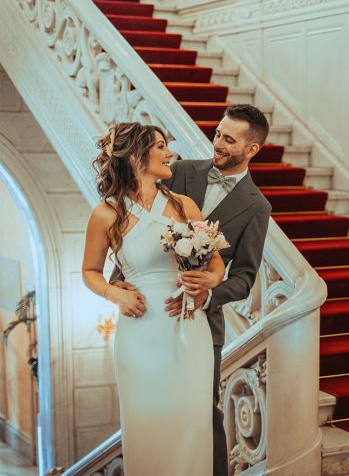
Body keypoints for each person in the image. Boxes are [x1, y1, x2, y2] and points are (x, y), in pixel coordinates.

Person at [111, 104, 272, 475]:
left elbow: (245, 276)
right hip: (149, 318)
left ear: (252, 150)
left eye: (229, 140)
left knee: (202, 414)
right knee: (148, 407)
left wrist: (210, 292)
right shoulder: (178, 172)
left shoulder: (257, 207)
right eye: (218, 133)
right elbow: (135, 220)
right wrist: (118, 279)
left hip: (201, 323)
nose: (217, 142)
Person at [83, 122, 223, 474]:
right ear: (135, 156)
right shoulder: (106, 214)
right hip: (140, 334)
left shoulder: (184, 206)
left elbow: (217, 263)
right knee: (148, 427)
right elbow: (90, 271)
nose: (170, 153)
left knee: (192, 423)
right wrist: (114, 293)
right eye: (160, 146)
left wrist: (206, 283)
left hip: (189, 329)